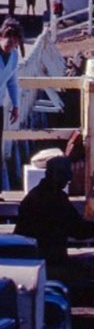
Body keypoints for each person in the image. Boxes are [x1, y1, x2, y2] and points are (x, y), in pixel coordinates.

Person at [14, 156, 94, 266]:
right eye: (66, 174)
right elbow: (78, 230)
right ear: (57, 175)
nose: (69, 179)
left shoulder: (35, 194)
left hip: (30, 255)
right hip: (48, 260)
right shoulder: (55, 199)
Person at [0, 18, 22, 198]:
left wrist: (16, 105)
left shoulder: (14, 56)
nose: (10, 46)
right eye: (8, 41)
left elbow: (12, 83)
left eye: (14, 43)